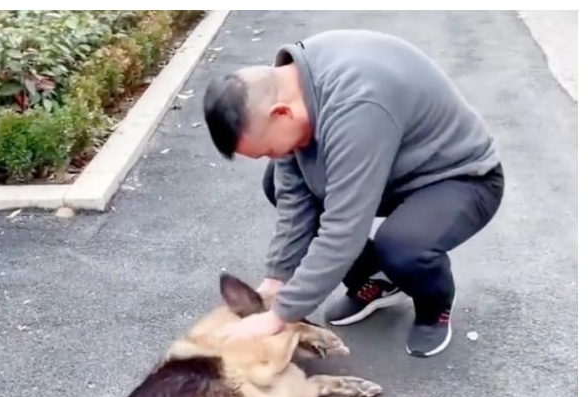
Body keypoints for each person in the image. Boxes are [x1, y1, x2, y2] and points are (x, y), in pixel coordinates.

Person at [201, 29, 504, 357]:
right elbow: (294, 196)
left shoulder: (357, 105)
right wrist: (277, 280)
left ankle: (435, 308)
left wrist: (277, 317)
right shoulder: (291, 87)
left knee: (401, 246)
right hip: (392, 168)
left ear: (280, 113)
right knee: (276, 182)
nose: (274, 157)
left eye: (268, 150)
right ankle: (376, 281)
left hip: (459, 177)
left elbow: (344, 228)